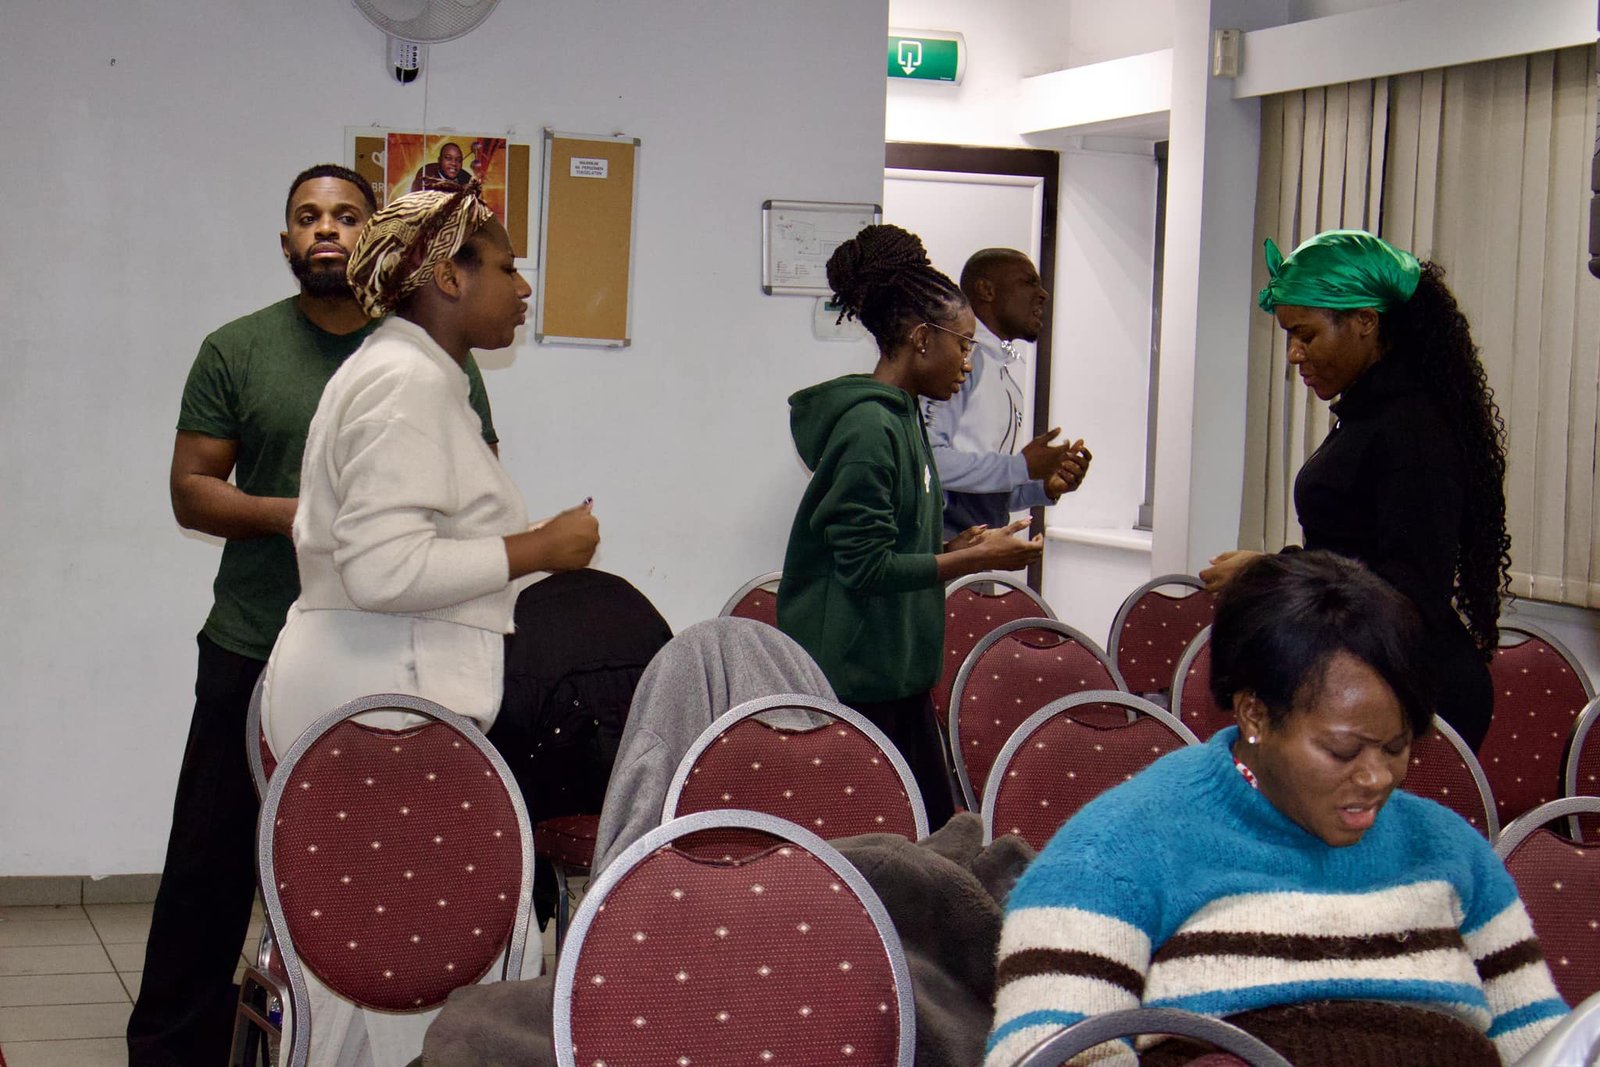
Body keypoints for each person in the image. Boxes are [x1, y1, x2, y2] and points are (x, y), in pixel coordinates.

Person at [129, 163, 499, 1067]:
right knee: (211, 868)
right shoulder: (238, 349)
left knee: (369, 871)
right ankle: (175, 1047)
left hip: (382, 661)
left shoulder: (430, 353)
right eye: (307, 217)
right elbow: (191, 491)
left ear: (377, 237)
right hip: (251, 645)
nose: (326, 229)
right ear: (287, 241)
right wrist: (300, 516)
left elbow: (469, 487)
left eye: (346, 215)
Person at [986, 551, 1567, 1067]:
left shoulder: (1447, 848)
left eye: (1398, 747)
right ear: (1255, 716)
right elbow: (1045, 1051)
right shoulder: (1113, 850)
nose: (1376, 778)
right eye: (1342, 750)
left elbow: (1540, 1039)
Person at [260, 187, 599, 1064]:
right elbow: (382, 569)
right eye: (508, 265)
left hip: (388, 703)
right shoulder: (404, 381)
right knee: (387, 969)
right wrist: (538, 547)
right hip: (374, 711)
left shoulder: (414, 374)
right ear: (447, 275)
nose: (524, 286)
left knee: (396, 980)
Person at [778, 223, 1044, 832]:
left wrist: (955, 546)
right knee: (901, 845)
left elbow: (893, 546)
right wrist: (975, 562)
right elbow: (864, 567)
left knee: (931, 833)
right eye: (965, 345)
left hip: (894, 671)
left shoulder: (902, 421)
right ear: (922, 339)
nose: (969, 361)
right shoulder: (870, 429)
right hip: (854, 680)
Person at [1200, 229, 1510, 751]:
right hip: (1374, 671)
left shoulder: (1410, 429)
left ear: (1365, 321)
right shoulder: (1373, 414)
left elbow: (1407, 586)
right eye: (1289, 337)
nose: (1295, 354)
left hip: (1413, 694)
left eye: (1306, 334)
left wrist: (1271, 571)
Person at [923, 247, 1091, 541]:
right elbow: (929, 462)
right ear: (986, 290)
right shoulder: (962, 362)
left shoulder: (1001, 372)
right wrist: (1021, 466)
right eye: (1028, 282)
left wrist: (1043, 486)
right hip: (946, 550)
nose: (1043, 295)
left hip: (980, 549)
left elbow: (983, 487)